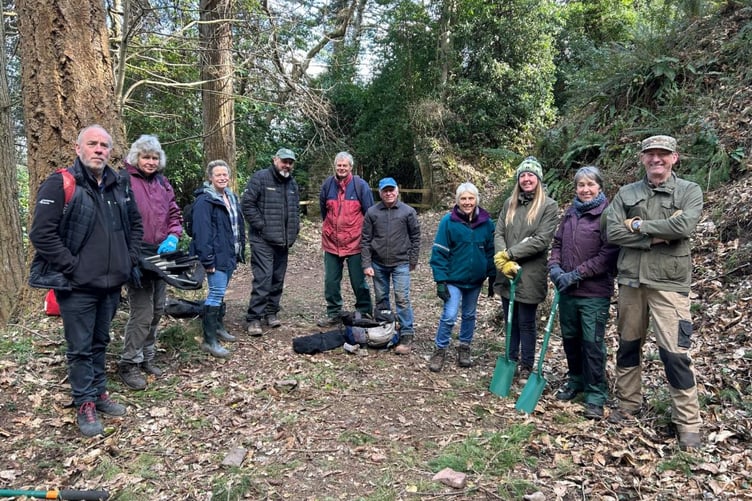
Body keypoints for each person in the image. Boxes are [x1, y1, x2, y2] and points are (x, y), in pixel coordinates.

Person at [29, 125, 143, 437]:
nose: (99, 150)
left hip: (111, 284)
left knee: (100, 341)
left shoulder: (119, 183)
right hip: (77, 286)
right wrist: (72, 266)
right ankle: (84, 403)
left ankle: (99, 392)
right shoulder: (61, 183)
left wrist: (129, 258)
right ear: (78, 149)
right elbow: (41, 234)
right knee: (79, 347)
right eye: (92, 144)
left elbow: (134, 223)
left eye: (104, 145)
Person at [606, 135, 703, 450]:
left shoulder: (689, 191)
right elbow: (612, 231)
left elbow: (684, 228)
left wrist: (636, 225)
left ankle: (688, 425)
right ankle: (627, 404)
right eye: (650, 155)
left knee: (675, 354)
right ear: (642, 159)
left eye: (663, 154)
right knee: (628, 346)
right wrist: (656, 234)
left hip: (669, 285)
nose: (656, 159)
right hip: (631, 283)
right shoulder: (627, 192)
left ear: (674, 158)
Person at [548, 166, 619, 419]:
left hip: (593, 293)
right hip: (567, 291)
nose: (585, 190)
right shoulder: (570, 213)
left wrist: (576, 274)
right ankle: (575, 381)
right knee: (570, 340)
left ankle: (595, 394)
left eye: (590, 184)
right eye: (581, 185)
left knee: (592, 344)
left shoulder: (607, 215)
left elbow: (608, 254)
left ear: (599, 187)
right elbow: (557, 243)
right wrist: (555, 268)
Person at [117, 135, 183, 390]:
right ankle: (129, 363)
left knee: (157, 308)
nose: (151, 162)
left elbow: (174, 213)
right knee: (142, 312)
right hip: (136, 254)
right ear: (136, 158)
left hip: (161, 254)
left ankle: (147, 356)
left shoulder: (163, 183)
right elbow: (118, 219)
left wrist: (173, 236)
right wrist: (127, 254)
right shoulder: (123, 181)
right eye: (146, 157)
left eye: (155, 157)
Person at [493, 156, 559, 382]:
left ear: (538, 179)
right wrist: (503, 260)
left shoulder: (548, 206)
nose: (527, 179)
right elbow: (499, 232)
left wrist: (509, 254)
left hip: (530, 273)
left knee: (526, 322)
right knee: (510, 318)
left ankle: (526, 365)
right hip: (507, 272)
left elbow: (541, 240)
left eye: (531, 175)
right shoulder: (509, 204)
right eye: (523, 175)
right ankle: (510, 360)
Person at [428, 182, 495, 372]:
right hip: (453, 279)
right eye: (463, 198)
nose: (467, 202)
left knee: (469, 315)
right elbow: (439, 253)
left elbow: (490, 252)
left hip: (475, 281)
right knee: (449, 316)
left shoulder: (486, 223)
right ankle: (440, 349)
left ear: (476, 200)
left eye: (470, 198)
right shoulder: (448, 222)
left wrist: (492, 276)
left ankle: (464, 347)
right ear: (457, 201)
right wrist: (440, 281)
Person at [241, 148, 301, 335]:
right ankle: (254, 319)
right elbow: (247, 204)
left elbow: (295, 210)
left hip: (283, 242)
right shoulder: (260, 178)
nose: (287, 165)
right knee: (264, 278)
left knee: (277, 278)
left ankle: (271, 312)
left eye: (290, 162)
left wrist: (294, 231)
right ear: (275, 160)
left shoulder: (292, 183)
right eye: (284, 161)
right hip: (262, 240)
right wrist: (261, 225)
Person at [190, 159, 246, 358]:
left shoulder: (230, 197)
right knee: (215, 293)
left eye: (225, 175)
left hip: (230, 254)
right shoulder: (205, 201)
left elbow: (237, 226)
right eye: (218, 175)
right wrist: (208, 260)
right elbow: (202, 233)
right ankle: (209, 340)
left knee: (221, 292)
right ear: (210, 178)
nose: (222, 178)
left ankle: (219, 328)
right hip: (215, 256)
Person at [361, 177, 421, 354]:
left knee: (402, 298)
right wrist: (366, 263)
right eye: (385, 191)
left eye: (391, 190)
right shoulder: (372, 212)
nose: (389, 193)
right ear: (380, 193)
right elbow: (365, 240)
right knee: (381, 298)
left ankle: (407, 332)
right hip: (378, 263)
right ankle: (385, 328)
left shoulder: (408, 211)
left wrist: (413, 260)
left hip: (401, 262)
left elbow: (416, 237)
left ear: (397, 191)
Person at [317, 151, 374, 326]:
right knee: (331, 281)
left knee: (359, 281)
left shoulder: (360, 186)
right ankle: (334, 312)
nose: (341, 168)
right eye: (339, 165)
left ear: (351, 167)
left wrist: (368, 240)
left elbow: (370, 213)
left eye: (345, 166)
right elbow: (323, 211)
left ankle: (364, 311)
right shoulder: (328, 185)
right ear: (335, 166)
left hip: (355, 242)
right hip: (332, 242)